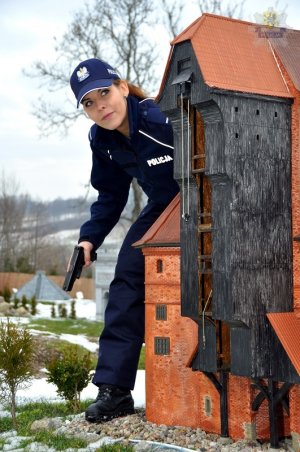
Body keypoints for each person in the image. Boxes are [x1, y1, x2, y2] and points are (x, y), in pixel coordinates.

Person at [69, 58, 179, 423]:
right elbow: (110, 195)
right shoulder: (101, 140)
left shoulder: (161, 119)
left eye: (104, 92)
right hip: (163, 207)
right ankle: (115, 392)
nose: (101, 106)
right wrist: (89, 240)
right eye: (89, 102)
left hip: (207, 196)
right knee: (126, 281)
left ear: (123, 87)